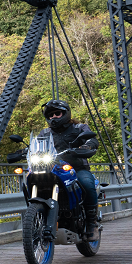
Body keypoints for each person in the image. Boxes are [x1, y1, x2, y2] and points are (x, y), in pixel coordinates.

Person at [39, 99, 100, 237]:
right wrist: (24, 151)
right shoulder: (45, 133)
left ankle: (92, 224)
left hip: (77, 169)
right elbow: (36, 146)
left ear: (66, 113)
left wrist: (87, 146)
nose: (53, 117)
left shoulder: (79, 128)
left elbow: (92, 140)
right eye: (51, 115)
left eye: (57, 113)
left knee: (86, 184)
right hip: (53, 170)